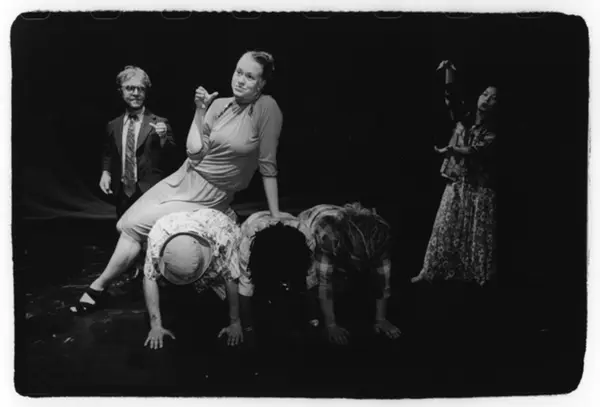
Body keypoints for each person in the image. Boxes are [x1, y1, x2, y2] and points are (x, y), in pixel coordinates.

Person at [71, 50, 285, 314]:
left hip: (210, 193)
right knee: (123, 224)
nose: (240, 80)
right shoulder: (219, 104)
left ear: (262, 83)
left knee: (133, 227)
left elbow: (267, 164)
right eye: (238, 72)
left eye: (250, 77)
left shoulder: (267, 109)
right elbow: (194, 152)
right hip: (184, 176)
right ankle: (152, 273)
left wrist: (275, 214)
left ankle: (97, 287)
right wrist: (200, 110)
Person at [411, 60, 498, 285]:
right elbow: (451, 98)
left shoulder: (493, 130)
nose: (486, 99)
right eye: (485, 94)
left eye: (493, 98)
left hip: (480, 186)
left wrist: (451, 149)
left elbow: (475, 150)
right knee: (444, 227)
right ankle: (429, 271)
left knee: (475, 234)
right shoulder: (467, 117)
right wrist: (449, 72)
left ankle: (476, 275)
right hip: (459, 180)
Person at [141, 208, 250, 349]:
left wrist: (235, 322)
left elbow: (231, 278)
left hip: (218, 229)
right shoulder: (158, 237)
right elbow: (149, 276)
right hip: (184, 229)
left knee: (217, 306)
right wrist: (156, 325)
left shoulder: (224, 237)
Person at [297, 203, 401, 346]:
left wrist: (381, 319)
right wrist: (331, 325)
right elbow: (324, 284)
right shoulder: (328, 237)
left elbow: (383, 282)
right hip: (311, 218)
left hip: (339, 223)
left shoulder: (379, 241)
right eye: (358, 257)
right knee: (312, 280)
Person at [99, 65, 176, 218]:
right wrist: (105, 173)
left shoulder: (160, 122)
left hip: (151, 192)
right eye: (130, 88)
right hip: (122, 192)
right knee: (123, 228)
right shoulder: (113, 125)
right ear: (121, 91)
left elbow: (173, 157)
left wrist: (163, 137)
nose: (136, 93)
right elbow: (109, 153)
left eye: (140, 89)